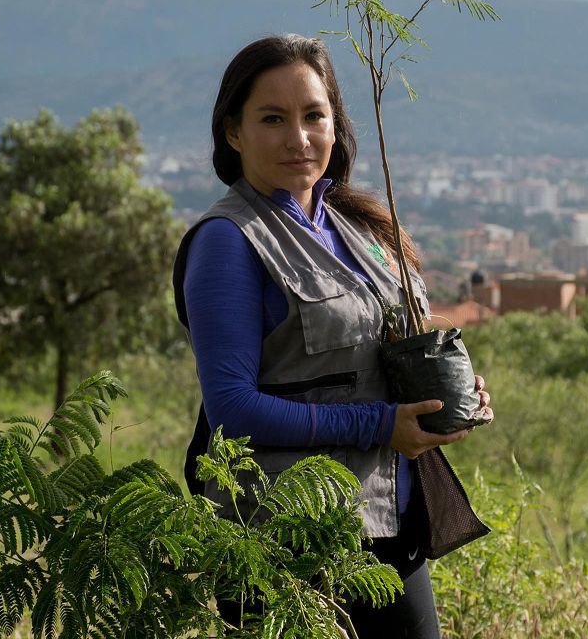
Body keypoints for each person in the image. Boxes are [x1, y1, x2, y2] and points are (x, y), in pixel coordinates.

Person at [172, 34, 492, 638]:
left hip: (388, 522)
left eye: (314, 115)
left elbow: (381, 354)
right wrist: (381, 425)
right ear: (233, 132)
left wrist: (449, 396)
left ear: (335, 124)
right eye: (272, 119)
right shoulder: (227, 243)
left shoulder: (354, 228)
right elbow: (231, 411)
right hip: (285, 541)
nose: (299, 138)